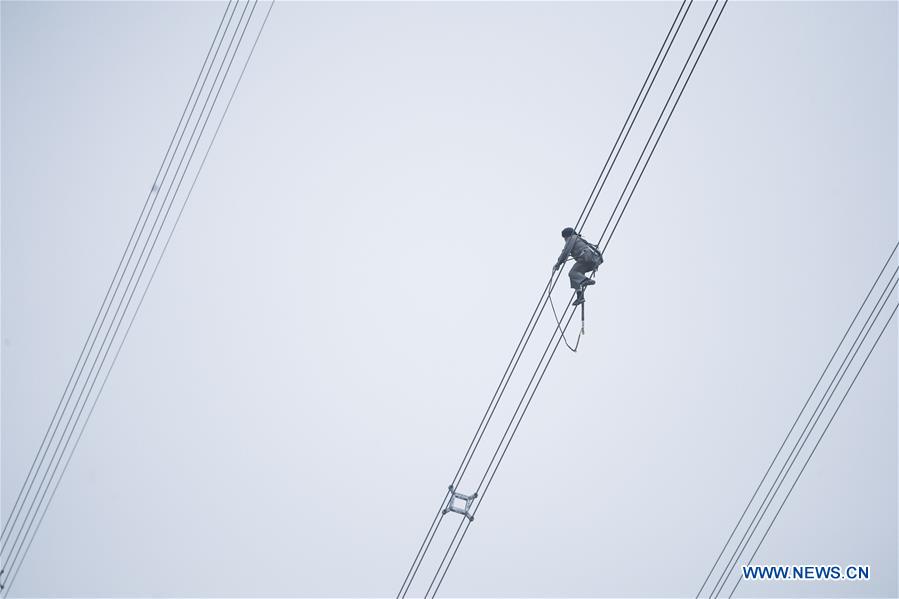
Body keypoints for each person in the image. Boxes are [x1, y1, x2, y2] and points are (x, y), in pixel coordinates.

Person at [553, 227, 603, 306]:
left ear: (566, 236)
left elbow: (565, 251)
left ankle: (585, 280)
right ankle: (580, 296)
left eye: (564, 238)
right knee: (575, 276)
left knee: (572, 273)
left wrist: (558, 263)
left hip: (587, 257)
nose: (565, 240)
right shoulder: (578, 239)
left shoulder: (572, 238)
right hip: (594, 260)